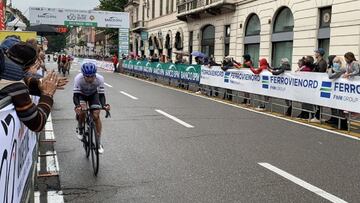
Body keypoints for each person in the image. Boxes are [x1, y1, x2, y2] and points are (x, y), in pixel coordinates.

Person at [0, 43, 59, 132]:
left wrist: (39, 82)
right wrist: (47, 95)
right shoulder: (15, 85)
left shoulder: (6, 72)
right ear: (28, 67)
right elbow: (37, 124)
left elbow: (22, 79)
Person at [73, 62, 110, 154]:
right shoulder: (78, 79)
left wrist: (104, 105)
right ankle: (80, 128)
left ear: (95, 74)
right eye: (87, 77)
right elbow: (75, 95)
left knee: (96, 115)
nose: (90, 79)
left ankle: (98, 142)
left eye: (92, 76)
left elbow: (101, 95)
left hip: (93, 95)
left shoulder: (100, 79)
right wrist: (77, 106)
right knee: (83, 111)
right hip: (81, 95)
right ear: (83, 75)